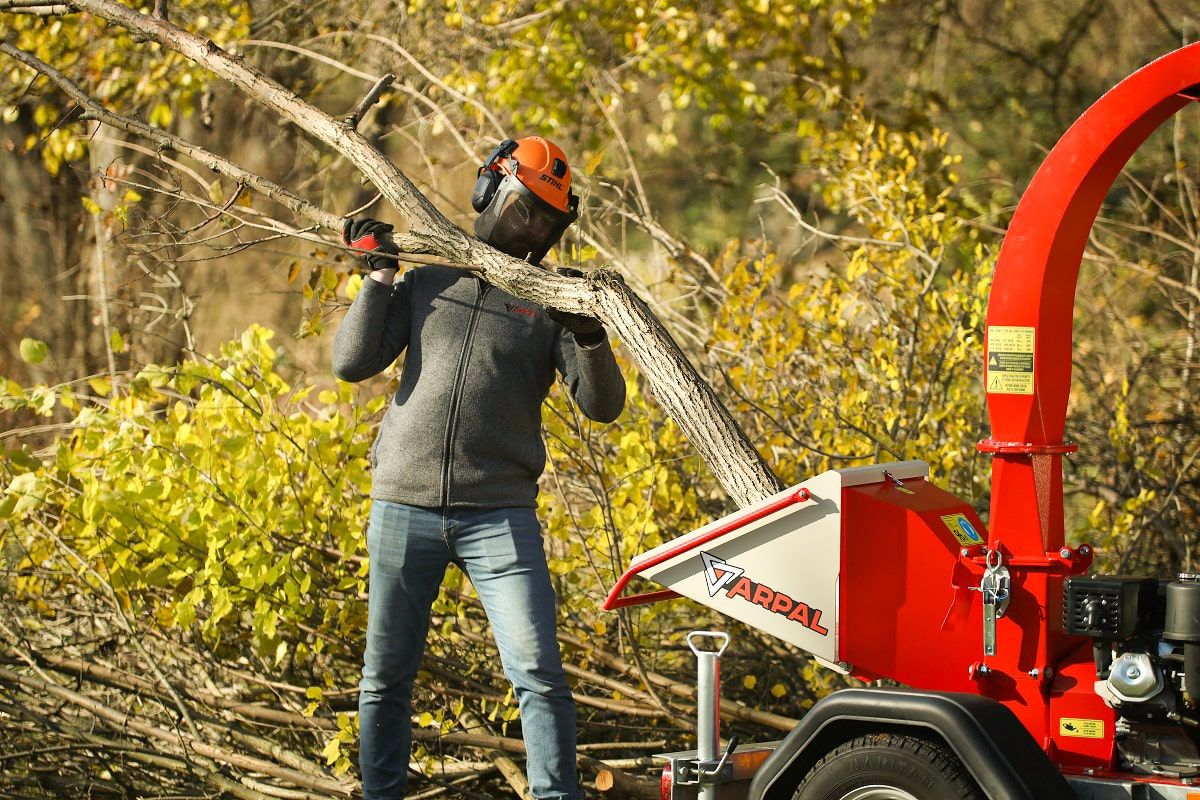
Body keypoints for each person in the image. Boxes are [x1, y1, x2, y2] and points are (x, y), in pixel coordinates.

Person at [332, 135, 626, 800]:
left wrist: (586, 328)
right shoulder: (429, 281)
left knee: (537, 671)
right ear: (489, 191)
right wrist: (378, 275)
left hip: (499, 514)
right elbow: (351, 362)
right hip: (403, 504)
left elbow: (602, 405)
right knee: (385, 674)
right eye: (525, 210)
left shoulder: (550, 299)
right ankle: (381, 793)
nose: (532, 230)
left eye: (547, 223)